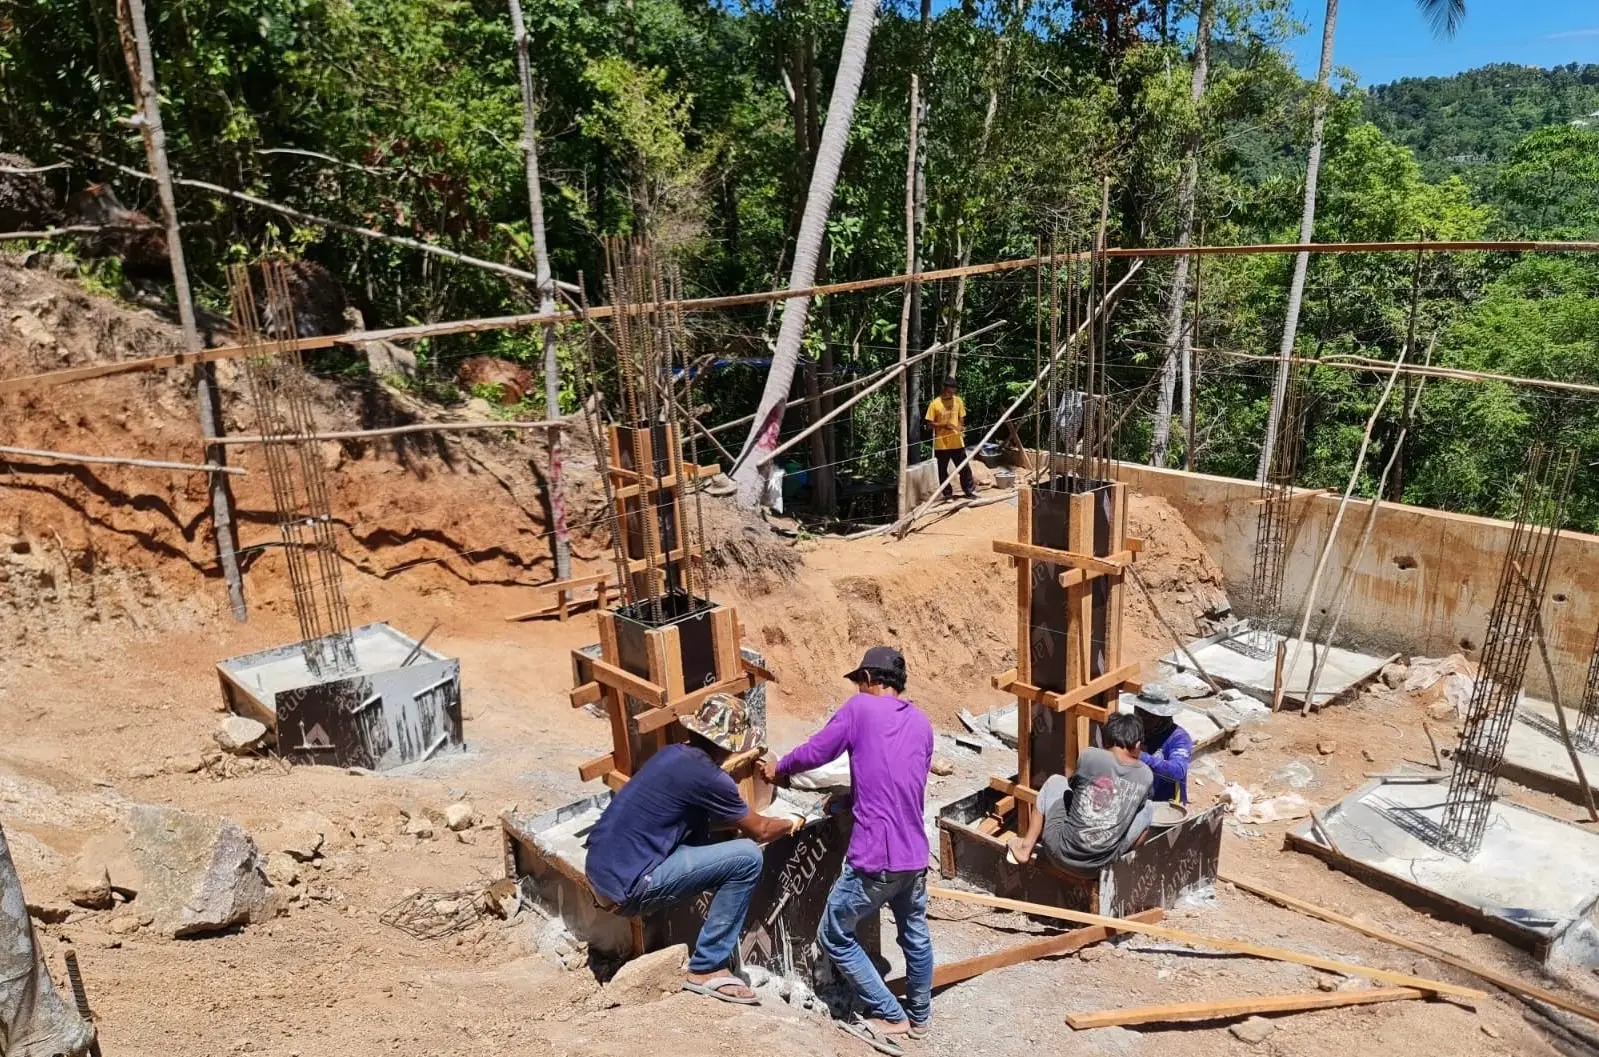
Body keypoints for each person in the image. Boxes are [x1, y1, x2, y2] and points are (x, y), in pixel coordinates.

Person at [762, 646, 933, 1056]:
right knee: (915, 935)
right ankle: (921, 1016)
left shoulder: (860, 709)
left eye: (860, 681)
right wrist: (852, 801)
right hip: (915, 854)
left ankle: (890, 1015)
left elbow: (818, 751)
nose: (858, 687)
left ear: (871, 680)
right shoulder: (922, 723)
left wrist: (779, 768)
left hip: (876, 856)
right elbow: (898, 781)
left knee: (834, 934)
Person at [584, 693, 799, 1005]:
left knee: (715, 843)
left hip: (600, 870)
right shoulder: (711, 778)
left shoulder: (672, 755)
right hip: (628, 888)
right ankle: (708, 967)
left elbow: (697, 821)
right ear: (731, 744)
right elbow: (761, 830)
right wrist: (795, 820)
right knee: (748, 858)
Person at [1006, 712, 1155, 875]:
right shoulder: (1146, 775)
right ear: (1138, 744)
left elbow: (1072, 787)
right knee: (1147, 808)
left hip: (1059, 853)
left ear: (1106, 739)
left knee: (1055, 781)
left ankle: (1025, 848)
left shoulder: (1090, 756)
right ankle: (1121, 869)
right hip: (1099, 866)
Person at [1131, 685, 1191, 804]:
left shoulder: (1179, 738)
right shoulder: (1134, 730)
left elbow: (1178, 771)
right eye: (1138, 711)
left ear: (1161, 717)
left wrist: (1142, 757)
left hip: (1163, 803)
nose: (1140, 718)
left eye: (1146, 715)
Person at [924, 377, 977, 501]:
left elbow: (961, 416)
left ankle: (969, 491)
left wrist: (960, 427)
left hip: (957, 442)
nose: (952, 393)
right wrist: (944, 425)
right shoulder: (935, 404)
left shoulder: (958, 401)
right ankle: (948, 495)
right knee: (942, 471)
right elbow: (929, 424)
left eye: (954, 390)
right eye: (950, 390)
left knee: (964, 468)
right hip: (942, 444)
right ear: (945, 389)